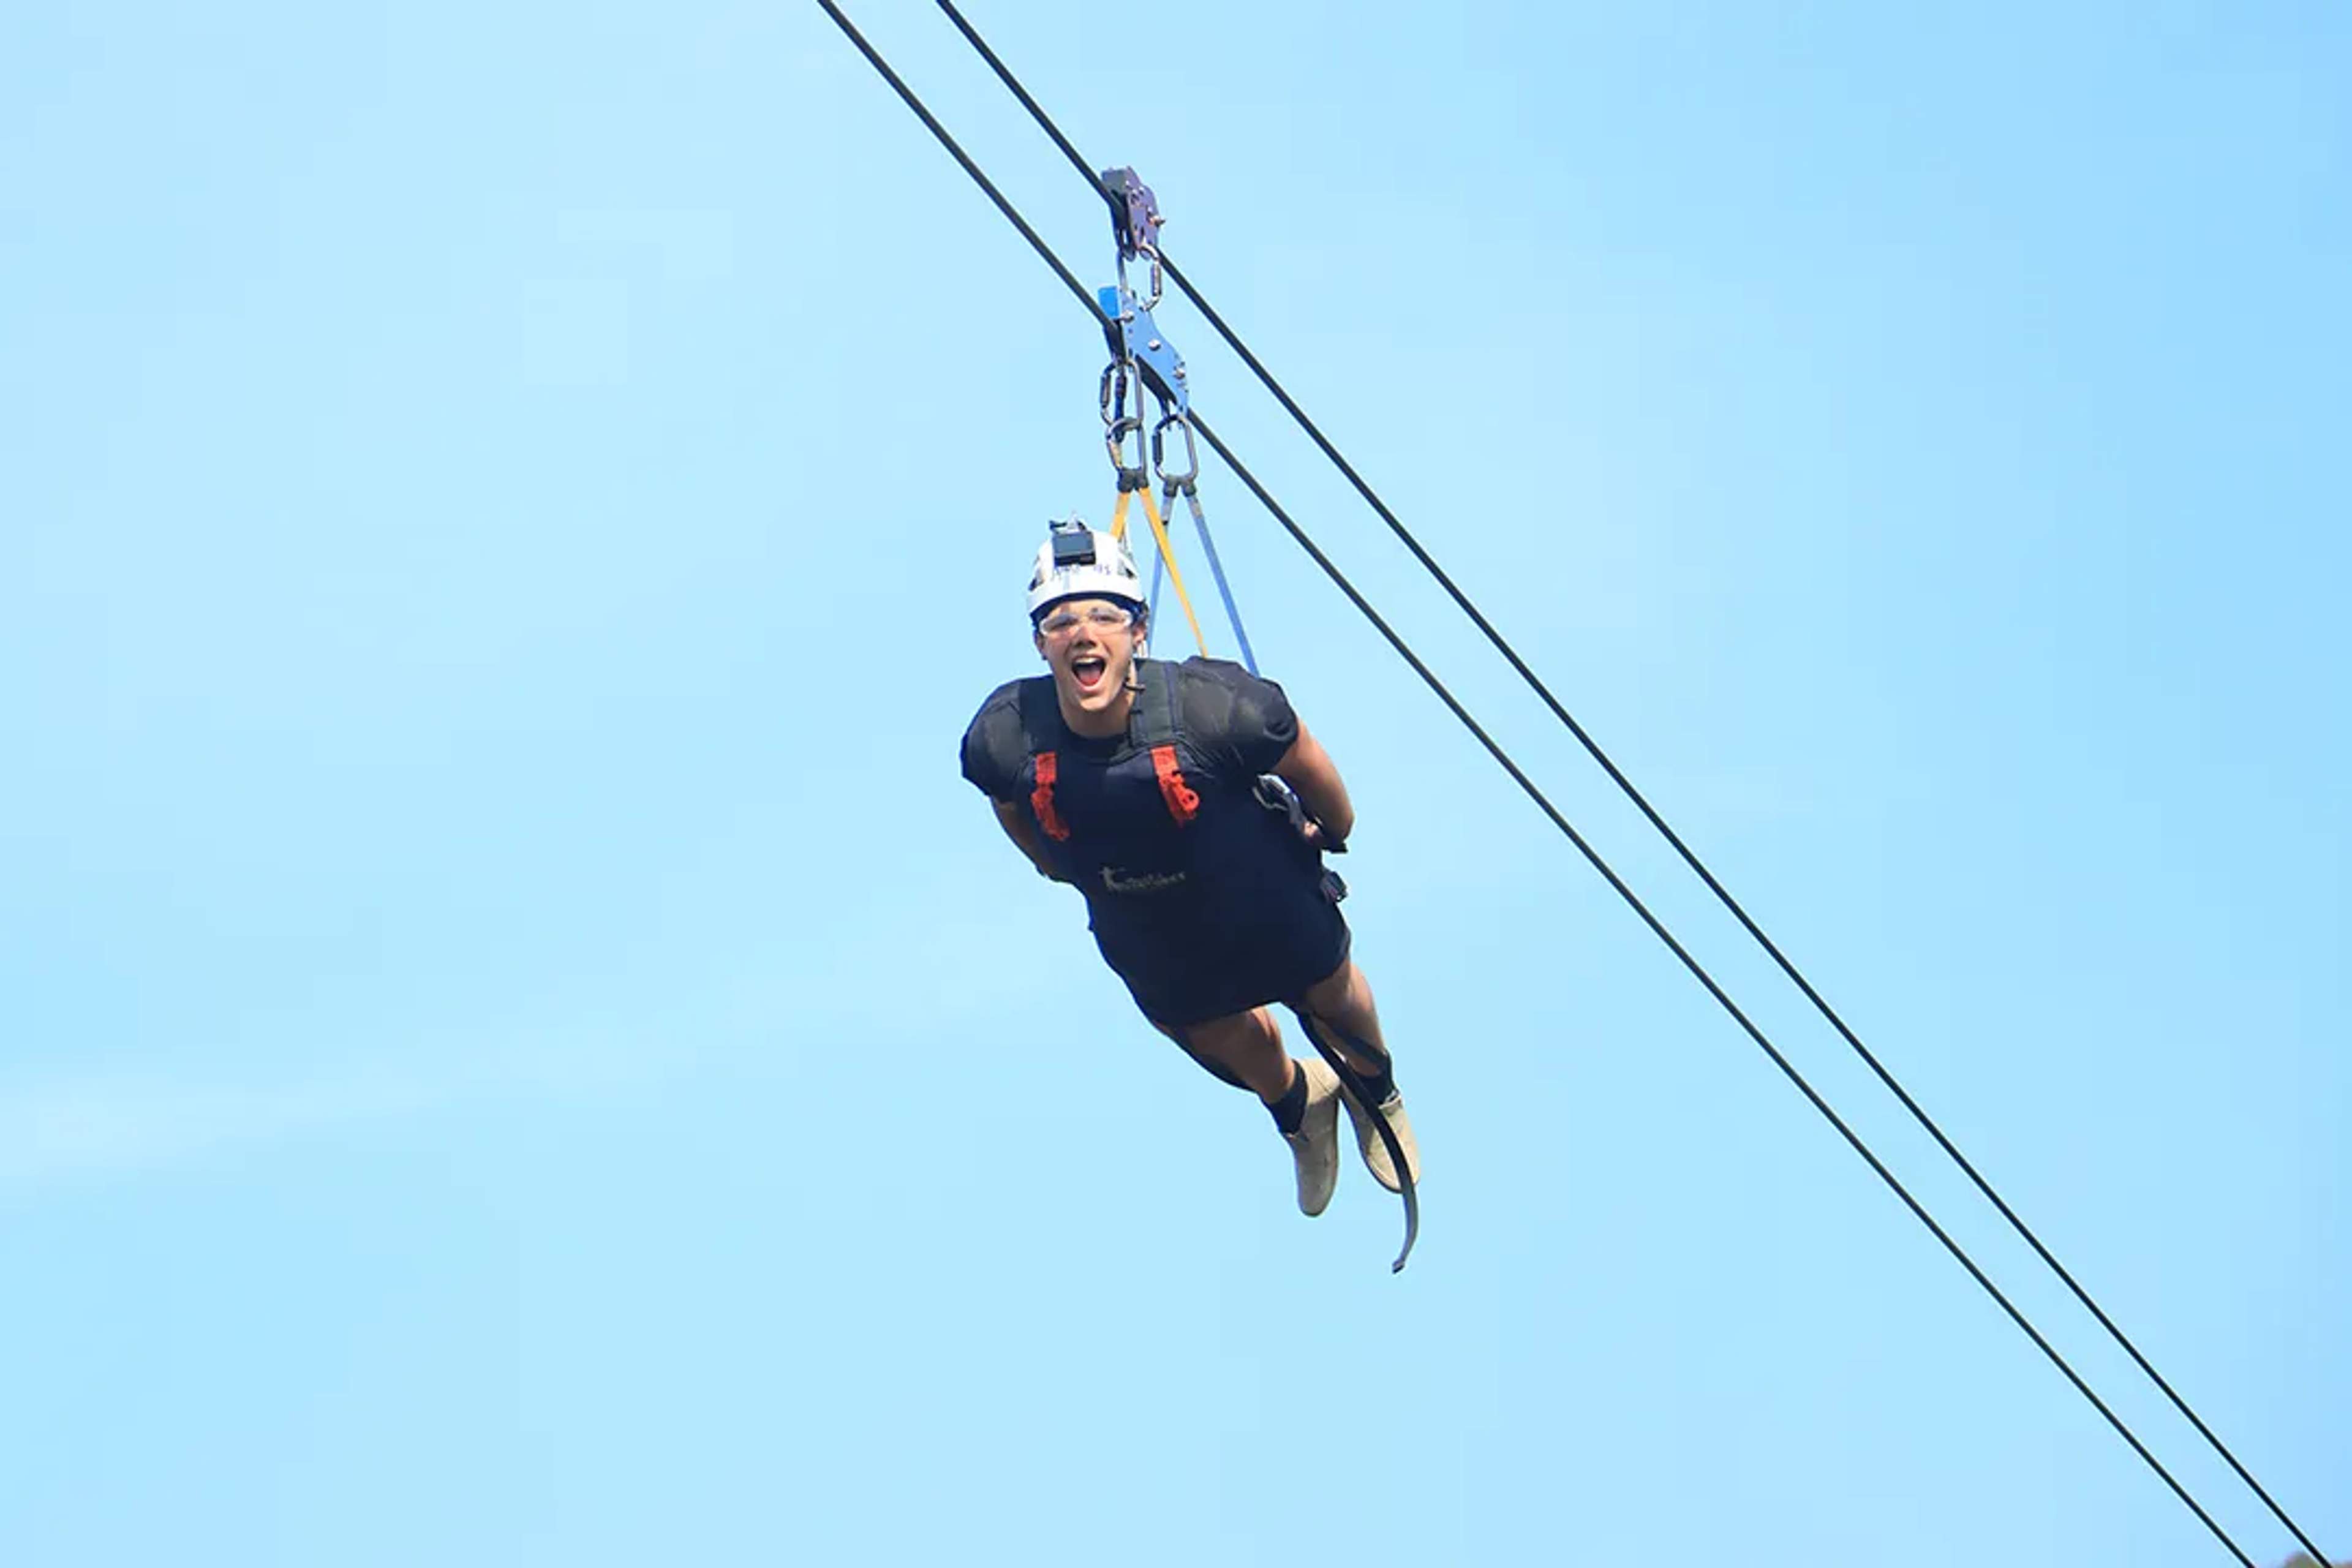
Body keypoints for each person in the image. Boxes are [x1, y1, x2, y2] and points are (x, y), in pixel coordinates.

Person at [959, 517, 1420, 1216]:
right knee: (1216, 1030)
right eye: (1061, 620)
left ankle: (1374, 1086)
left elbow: (1309, 762)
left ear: (1138, 631)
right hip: (1149, 926)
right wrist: (1054, 863)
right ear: (1040, 643)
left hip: (1257, 893)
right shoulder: (1007, 732)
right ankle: (1302, 1104)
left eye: (1104, 615)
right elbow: (1006, 799)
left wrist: (1335, 825)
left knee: (1327, 988)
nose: (1083, 632)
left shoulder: (1217, 709)